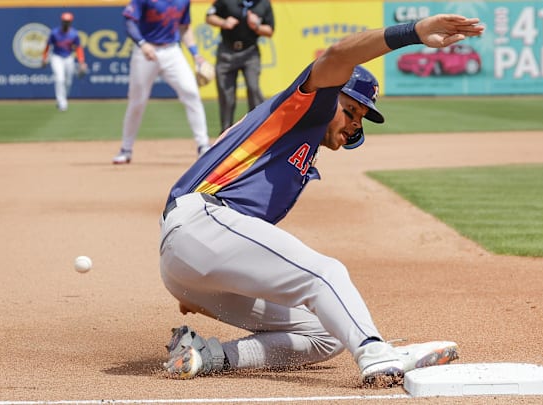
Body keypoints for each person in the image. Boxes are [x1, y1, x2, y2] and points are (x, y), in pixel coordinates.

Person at [158, 13, 484, 387]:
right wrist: (412, 33)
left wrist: (199, 276)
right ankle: (376, 354)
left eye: (360, 119)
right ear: (333, 96)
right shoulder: (302, 108)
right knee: (326, 274)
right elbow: (338, 56)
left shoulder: (298, 147)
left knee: (326, 334)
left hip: (195, 259)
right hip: (199, 223)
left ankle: (208, 355)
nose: (354, 124)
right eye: (351, 110)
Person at [112, 0, 211, 165]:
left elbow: (184, 27)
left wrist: (196, 54)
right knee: (137, 102)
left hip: (172, 51)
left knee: (191, 93)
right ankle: (126, 149)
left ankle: (203, 145)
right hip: (146, 51)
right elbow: (129, 22)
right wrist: (142, 44)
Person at [205, 0, 275, 134]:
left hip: (250, 52)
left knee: (253, 88)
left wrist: (257, 26)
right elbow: (209, 16)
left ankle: (257, 130)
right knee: (226, 95)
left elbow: (270, 31)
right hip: (227, 51)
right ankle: (225, 134)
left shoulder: (263, 3)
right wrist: (223, 23)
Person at [42, 12, 87, 112]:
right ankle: (62, 103)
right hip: (56, 57)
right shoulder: (54, 33)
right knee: (60, 79)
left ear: (71, 22)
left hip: (68, 57)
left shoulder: (74, 34)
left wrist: (81, 61)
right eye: (65, 21)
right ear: (62, 21)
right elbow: (47, 46)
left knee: (68, 82)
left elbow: (78, 48)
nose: (66, 23)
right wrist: (44, 58)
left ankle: (63, 99)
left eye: (68, 21)